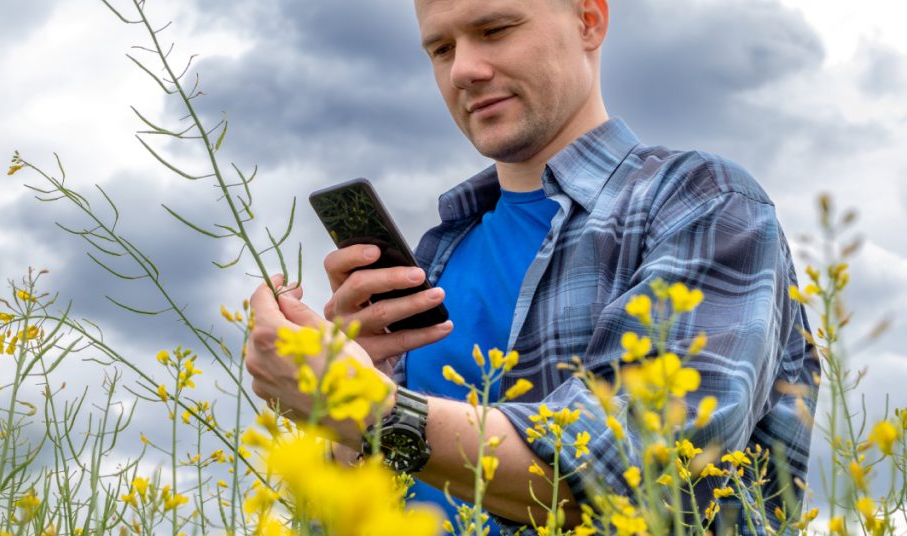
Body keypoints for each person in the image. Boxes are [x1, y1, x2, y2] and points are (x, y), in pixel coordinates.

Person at [244, 0, 818, 533]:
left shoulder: (701, 203)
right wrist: (340, 414)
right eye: (440, 50)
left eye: (495, 30)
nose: (463, 70)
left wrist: (370, 408)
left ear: (589, 20)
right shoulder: (436, 256)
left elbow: (637, 472)